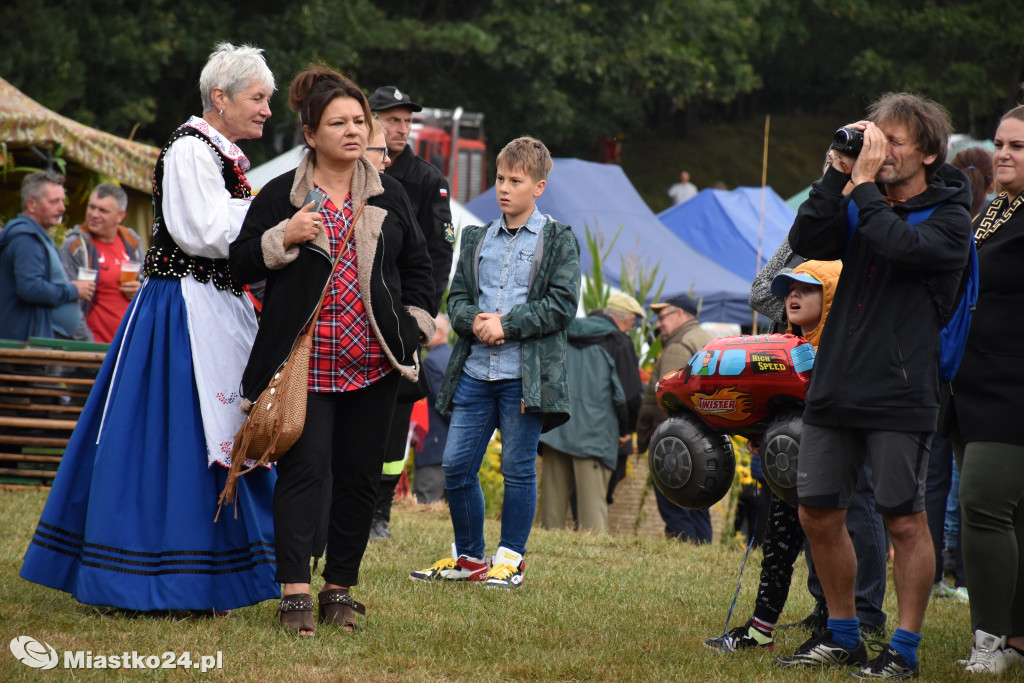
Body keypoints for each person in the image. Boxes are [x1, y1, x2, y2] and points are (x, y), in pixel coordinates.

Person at [19, 43, 278, 612]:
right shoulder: (190, 149)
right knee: (169, 436)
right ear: (220, 97)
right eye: (258, 98)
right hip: (179, 313)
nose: (265, 109)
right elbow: (201, 230)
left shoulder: (219, 153)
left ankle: (208, 575)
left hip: (209, 304)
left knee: (215, 433)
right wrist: (276, 215)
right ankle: (146, 576)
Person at [230, 66, 435, 635]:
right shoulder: (281, 195)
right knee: (305, 472)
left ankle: (338, 589)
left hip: (375, 363)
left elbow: (419, 269)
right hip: (305, 365)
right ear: (310, 133)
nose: (352, 131)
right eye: (337, 122)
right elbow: (241, 260)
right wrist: (283, 238)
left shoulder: (389, 193)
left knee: (360, 477)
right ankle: (295, 593)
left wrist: (414, 325)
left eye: (358, 121)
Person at [774, 92, 973, 679]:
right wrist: (837, 170)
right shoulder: (863, 199)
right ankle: (842, 634)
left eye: (896, 143)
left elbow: (902, 247)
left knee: (904, 520)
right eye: (875, 138)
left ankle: (904, 650)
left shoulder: (951, 218)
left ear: (931, 154)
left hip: (901, 389)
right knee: (817, 513)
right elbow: (809, 241)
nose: (881, 152)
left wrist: (860, 188)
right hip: (838, 379)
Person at [409, 136, 581, 588]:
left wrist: (507, 324)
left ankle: (511, 560)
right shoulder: (476, 236)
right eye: (500, 178)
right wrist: (473, 321)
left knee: (518, 469)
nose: (504, 188)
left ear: (539, 186)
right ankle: (469, 559)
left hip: (524, 377)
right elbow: (458, 297)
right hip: (474, 371)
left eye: (516, 180)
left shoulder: (558, 238)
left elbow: (563, 305)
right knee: (455, 465)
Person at [706, 260, 888, 652]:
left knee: (834, 537)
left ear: (832, 297)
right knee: (778, 544)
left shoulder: (844, 351)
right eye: (789, 288)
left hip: (832, 465)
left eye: (806, 289)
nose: (793, 295)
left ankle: (846, 624)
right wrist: (762, 434)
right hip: (789, 466)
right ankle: (761, 630)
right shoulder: (784, 348)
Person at [948, 105, 1024, 674]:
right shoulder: (992, 210)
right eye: (999, 142)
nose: (1002, 153)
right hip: (968, 386)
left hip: (1013, 390)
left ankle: (991, 640)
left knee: (981, 504)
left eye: (1017, 146)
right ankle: (1017, 638)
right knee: (1011, 517)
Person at [368, 85, 455, 539]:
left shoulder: (426, 178)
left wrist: (423, 318)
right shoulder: (354, 169)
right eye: (392, 119)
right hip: (357, 308)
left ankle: (380, 510)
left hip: (403, 314)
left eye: (407, 121)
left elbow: (439, 258)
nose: (401, 128)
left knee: (398, 411)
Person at [537, 293, 644, 533]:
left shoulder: (566, 330)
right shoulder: (620, 343)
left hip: (556, 430)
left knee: (551, 515)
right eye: (633, 323)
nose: (631, 328)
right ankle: (593, 561)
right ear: (625, 320)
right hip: (594, 435)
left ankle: (544, 557)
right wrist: (627, 430)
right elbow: (629, 395)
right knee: (592, 518)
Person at [636, 294, 713, 543]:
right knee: (697, 504)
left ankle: (685, 552)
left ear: (680, 314)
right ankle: (702, 554)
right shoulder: (706, 339)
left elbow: (665, 400)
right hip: (703, 438)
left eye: (662, 317)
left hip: (677, 441)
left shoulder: (680, 344)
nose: (658, 323)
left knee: (675, 504)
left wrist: (659, 440)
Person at [0, 172, 94, 341]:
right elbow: (30, 289)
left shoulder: (36, 235)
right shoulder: (26, 239)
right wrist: (73, 290)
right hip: (28, 346)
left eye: (62, 201)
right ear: (32, 205)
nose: (62, 208)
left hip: (39, 340)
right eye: (54, 202)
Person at [58, 183, 144, 343]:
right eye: (91, 207)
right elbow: (67, 301)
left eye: (103, 210)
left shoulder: (132, 243)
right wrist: (88, 346)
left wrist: (140, 290)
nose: (94, 214)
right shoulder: (75, 247)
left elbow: (148, 290)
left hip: (127, 347)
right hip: (92, 349)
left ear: (120, 215)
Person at [415, 314, 452, 504]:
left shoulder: (430, 362)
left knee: (425, 499)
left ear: (438, 334)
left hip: (435, 445)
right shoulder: (453, 356)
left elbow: (441, 403)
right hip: (452, 445)